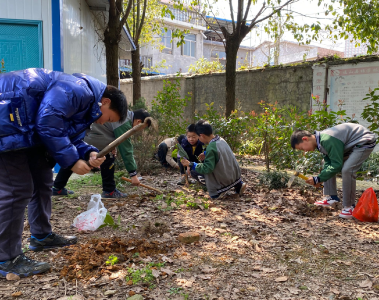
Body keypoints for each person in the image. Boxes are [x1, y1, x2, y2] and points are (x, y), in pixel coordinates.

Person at [0, 68, 127, 278]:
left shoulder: (85, 102)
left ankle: (41, 237)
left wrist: (89, 152)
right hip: (8, 124)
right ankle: (6, 258)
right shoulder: (77, 90)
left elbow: (66, 133)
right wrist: (71, 161)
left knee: (42, 181)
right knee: (17, 189)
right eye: (108, 117)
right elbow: (48, 120)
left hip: (24, 130)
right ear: (105, 102)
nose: (103, 122)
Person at [52, 109, 150, 199]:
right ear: (138, 122)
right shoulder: (124, 122)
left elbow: (110, 131)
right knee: (108, 157)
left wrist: (112, 146)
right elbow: (126, 149)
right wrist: (133, 175)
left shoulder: (125, 115)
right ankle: (109, 190)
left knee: (74, 159)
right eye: (142, 128)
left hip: (91, 135)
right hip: (92, 137)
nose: (140, 130)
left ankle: (58, 187)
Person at [290, 123, 376, 219]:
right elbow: (328, 163)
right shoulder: (320, 142)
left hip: (363, 141)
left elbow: (336, 164)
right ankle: (332, 197)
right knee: (324, 163)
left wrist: (318, 178)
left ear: (305, 138)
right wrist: (319, 179)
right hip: (351, 144)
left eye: (302, 148)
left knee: (348, 170)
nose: (304, 151)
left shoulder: (327, 140)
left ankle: (349, 207)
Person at [181, 120, 247, 199]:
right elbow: (220, 152)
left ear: (202, 136)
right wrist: (205, 153)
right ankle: (238, 185)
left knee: (194, 171)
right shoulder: (221, 140)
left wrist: (190, 164)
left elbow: (207, 168)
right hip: (235, 176)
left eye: (198, 137)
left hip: (223, 181)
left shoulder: (211, 147)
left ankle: (217, 191)